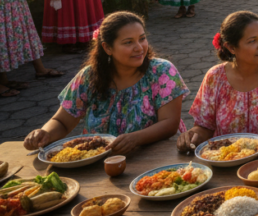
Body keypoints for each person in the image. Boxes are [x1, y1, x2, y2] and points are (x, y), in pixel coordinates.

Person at [24, 12, 189, 154]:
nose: (139, 47)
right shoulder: (89, 77)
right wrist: (43, 133)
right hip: (100, 160)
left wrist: (136, 139)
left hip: (156, 157)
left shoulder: (161, 71)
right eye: (128, 42)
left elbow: (169, 124)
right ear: (107, 48)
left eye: (142, 39)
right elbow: (62, 121)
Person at [177, 11, 258, 152]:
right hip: (227, 160)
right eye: (252, 41)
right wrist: (192, 136)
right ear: (231, 47)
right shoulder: (215, 77)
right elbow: (205, 127)